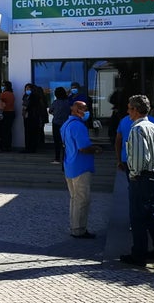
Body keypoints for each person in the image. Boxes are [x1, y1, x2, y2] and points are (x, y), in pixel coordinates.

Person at [120, 95, 154, 267]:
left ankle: (139, 254)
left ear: (135, 110)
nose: (127, 112)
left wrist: (133, 174)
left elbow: (140, 158)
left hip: (143, 177)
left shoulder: (138, 129)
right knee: (151, 214)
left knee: (138, 217)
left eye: (129, 108)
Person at [60, 101, 102, 239]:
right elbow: (83, 148)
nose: (87, 111)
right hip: (80, 167)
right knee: (82, 200)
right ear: (78, 110)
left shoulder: (66, 125)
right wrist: (96, 148)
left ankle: (74, 226)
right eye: (85, 109)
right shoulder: (78, 126)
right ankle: (79, 229)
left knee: (74, 199)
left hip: (69, 165)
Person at [114, 108, 154, 182]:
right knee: (146, 187)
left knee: (134, 186)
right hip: (147, 161)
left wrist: (119, 160)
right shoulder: (153, 121)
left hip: (128, 159)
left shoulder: (124, 121)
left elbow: (118, 142)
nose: (127, 111)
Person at [22, 83, 47, 154]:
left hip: (33, 117)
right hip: (27, 116)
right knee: (27, 132)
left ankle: (32, 148)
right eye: (26, 89)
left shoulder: (35, 97)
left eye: (29, 89)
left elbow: (31, 106)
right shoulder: (25, 96)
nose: (27, 90)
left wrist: (26, 109)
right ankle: (28, 147)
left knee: (33, 133)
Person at [49, 86, 71, 164]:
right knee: (66, 141)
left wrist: (55, 113)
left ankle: (57, 158)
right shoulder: (68, 102)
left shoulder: (55, 102)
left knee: (57, 141)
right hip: (66, 123)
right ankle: (66, 158)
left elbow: (50, 110)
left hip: (56, 123)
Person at [0, 81, 15, 152]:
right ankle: (8, 145)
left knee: (4, 130)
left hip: (5, 112)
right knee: (9, 130)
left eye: (3, 85)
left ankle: (4, 145)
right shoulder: (12, 94)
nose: (2, 86)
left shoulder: (3, 94)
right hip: (11, 112)